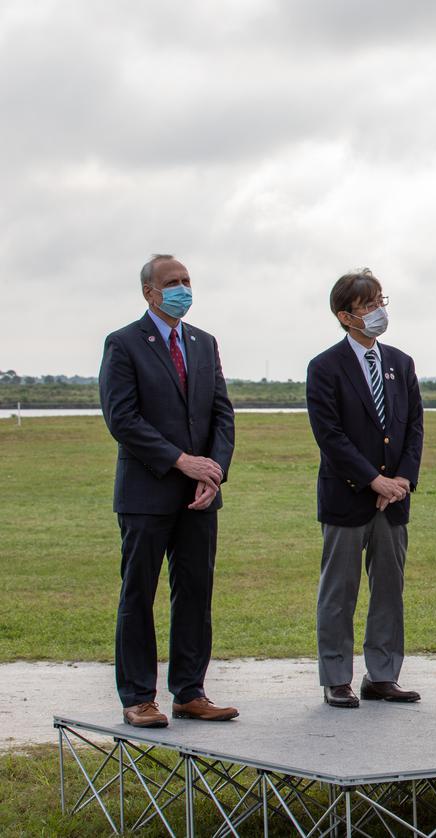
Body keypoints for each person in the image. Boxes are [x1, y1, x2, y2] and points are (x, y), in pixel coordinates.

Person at [99, 254, 238, 728]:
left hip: (200, 496)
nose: (182, 288)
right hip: (147, 493)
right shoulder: (123, 344)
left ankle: (190, 692)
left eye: (187, 280)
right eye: (172, 282)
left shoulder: (204, 342)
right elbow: (123, 419)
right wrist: (180, 461)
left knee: (196, 593)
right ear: (149, 292)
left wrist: (212, 470)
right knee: (139, 593)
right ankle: (139, 696)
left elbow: (222, 413)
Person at [306, 269, 424, 707]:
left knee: (390, 590)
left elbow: (413, 428)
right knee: (339, 590)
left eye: (381, 303)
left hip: (392, 501)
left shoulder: (400, 363)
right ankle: (336, 677)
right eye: (368, 306)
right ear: (346, 315)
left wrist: (401, 482)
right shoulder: (325, 368)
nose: (378, 312)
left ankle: (382, 675)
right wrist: (372, 479)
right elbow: (330, 435)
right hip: (347, 497)